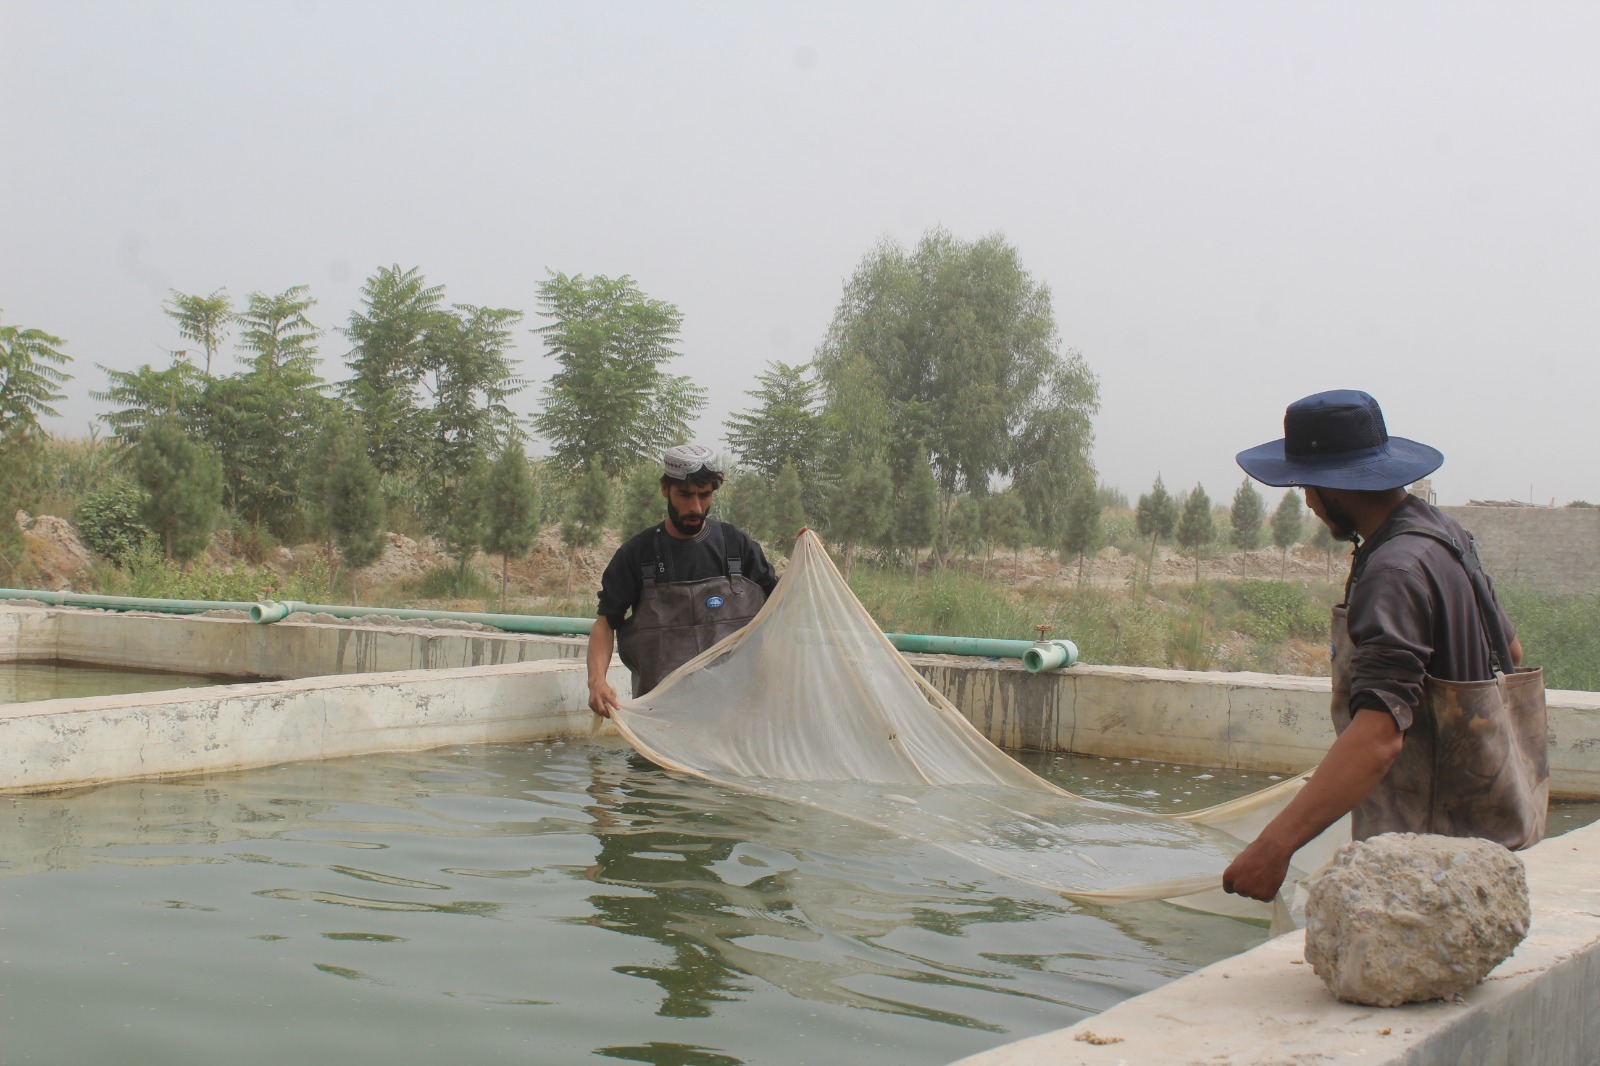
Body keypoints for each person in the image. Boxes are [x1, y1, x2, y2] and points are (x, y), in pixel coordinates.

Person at [1222, 389, 1547, 902]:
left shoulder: (1393, 571)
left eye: (1307, 486)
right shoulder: (1445, 534)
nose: (1307, 501)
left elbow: (1377, 737)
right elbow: (1513, 652)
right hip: (1494, 845)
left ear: (1335, 488)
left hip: (1431, 872)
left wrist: (1273, 847)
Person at [587, 444, 778, 718]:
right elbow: (606, 623)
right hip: (662, 719)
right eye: (685, 495)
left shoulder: (736, 546)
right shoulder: (638, 554)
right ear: (665, 489)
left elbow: (781, 601)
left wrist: (808, 560)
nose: (696, 507)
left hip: (735, 717)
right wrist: (597, 681)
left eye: (705, 495)